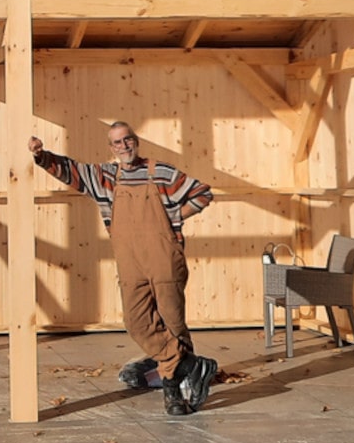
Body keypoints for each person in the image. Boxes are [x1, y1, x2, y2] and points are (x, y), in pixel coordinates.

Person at [28, 122, 219, 415]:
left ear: (136, 141)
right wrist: (42, 156)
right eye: (117, 143)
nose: (124, 146)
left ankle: (173, 393)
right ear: (112, 148)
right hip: (130, 262)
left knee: (172, 323)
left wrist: (174, 218)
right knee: (136, 321)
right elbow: (71, 170)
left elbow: (202, 194)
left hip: (164, 257)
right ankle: (193, 365)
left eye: (127, 140)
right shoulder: (106, 178)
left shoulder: (161, 172)